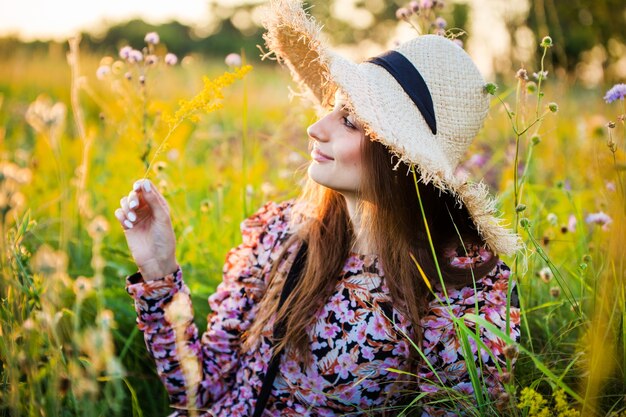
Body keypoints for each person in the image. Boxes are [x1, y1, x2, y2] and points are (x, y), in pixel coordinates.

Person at [114, 0, 521, 415]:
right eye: (333, 108)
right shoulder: (281, 233)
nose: (315, 127)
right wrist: (158, 268)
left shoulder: (461, 293)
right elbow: (198, 394)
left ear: (400, 159)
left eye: (349, 120)